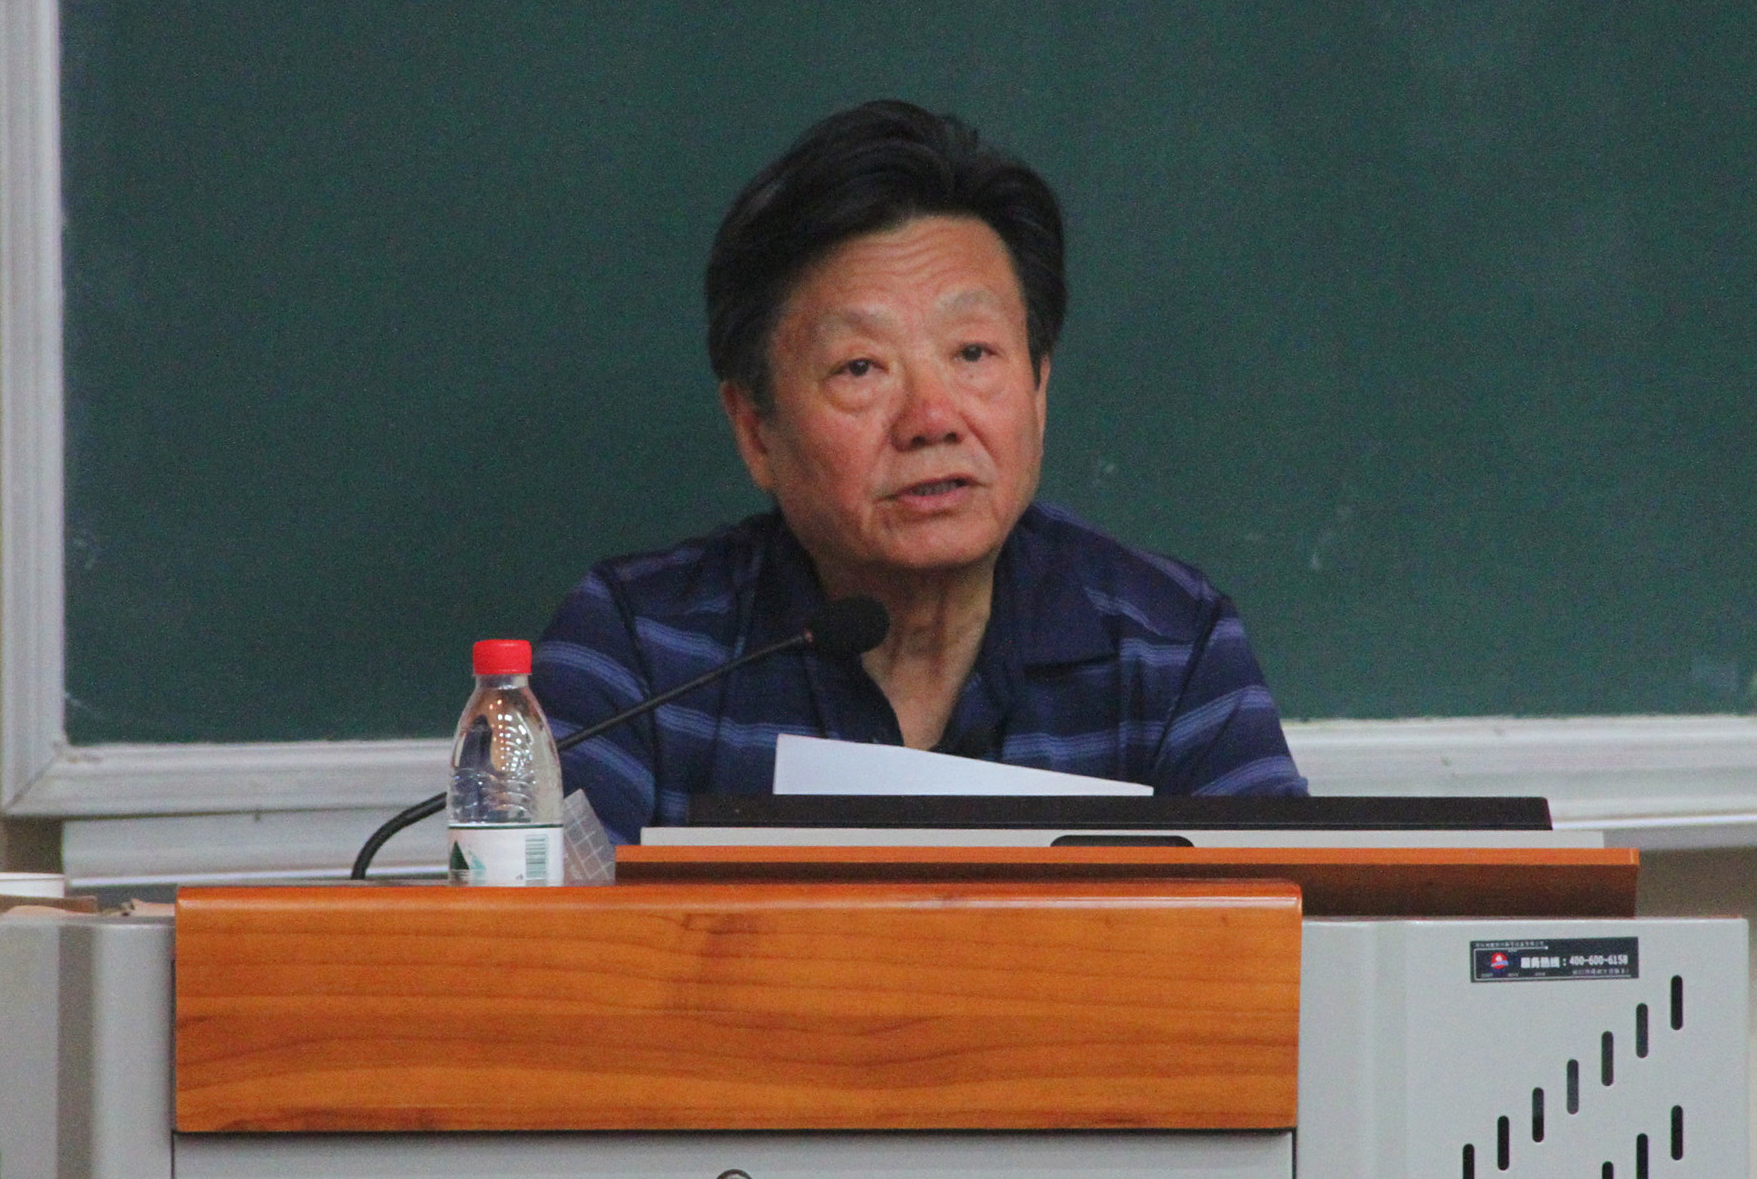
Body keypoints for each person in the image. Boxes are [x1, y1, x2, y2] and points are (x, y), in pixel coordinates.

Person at [534, 101, 1306, 842]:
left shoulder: (1170, 649)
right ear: (755, 429)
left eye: (973, 352)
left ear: (1039, 387)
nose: (932, 418)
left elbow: (1275, 924)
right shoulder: (640, 650)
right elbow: (538, 924)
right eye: (860, 366)